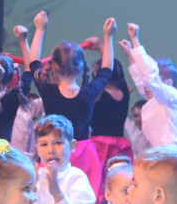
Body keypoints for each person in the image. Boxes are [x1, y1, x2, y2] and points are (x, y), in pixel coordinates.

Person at [26, 12, 115, 140]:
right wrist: (108, 36)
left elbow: (34, 62)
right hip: (82, 151)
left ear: (53, 65)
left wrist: (40, 29)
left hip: (53, 149)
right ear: (81, 68)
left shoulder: (48, 91)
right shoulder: (88, 93)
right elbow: (106, 70)